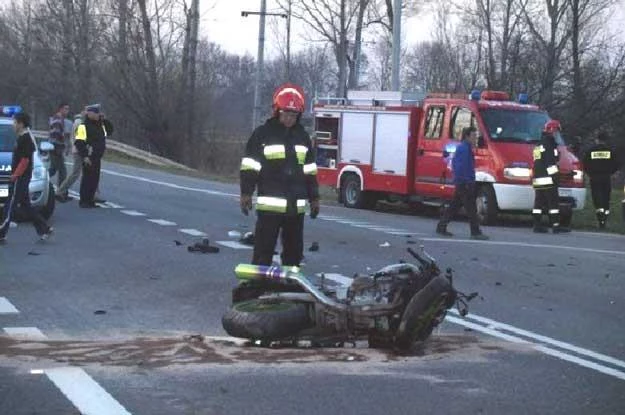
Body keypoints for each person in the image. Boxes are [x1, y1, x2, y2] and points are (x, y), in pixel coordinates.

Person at [239, 83, 320, 267]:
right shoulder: (263, 135)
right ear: (277, 111)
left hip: (295, 210)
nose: (290, 118)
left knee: (293, 253)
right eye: (286, 113)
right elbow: (250, 167)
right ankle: (257, 287)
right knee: (263, 250)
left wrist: (314, 198)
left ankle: (290, 287)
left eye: (293, 115)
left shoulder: (303, 137)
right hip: (269, 209)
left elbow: (309, 171)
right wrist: (246, 193)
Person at [0, 112, 53, 243]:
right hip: (21, 176)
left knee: (10, 205)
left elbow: (25, 160)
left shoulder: (26, 139)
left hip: (21, 177)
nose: (13, 125)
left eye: (15, 122)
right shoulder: (22, 137)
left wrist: (15, 175)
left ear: (21, 124)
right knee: (26, 206)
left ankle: (1, 233)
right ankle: (44, 228)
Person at [436, 126, 489, 240]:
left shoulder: (464, 148)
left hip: (463, 182)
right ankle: (475, 232)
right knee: (471, 209)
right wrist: (467, 182)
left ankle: (441, 226)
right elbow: (461, 167)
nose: (476, 139)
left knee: (454, 206)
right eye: (474, 136)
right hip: (465, 183)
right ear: (467, 136)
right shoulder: (464, 149)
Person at [532, 120, 570, 233]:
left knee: (538, 202)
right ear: (552, 131)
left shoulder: (539, 144)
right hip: (548, 178)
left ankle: (537, 225)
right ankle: (556, 226)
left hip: (538, 177)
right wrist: (556, 176)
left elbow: (539, 161)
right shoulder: (549, 144)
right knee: (553, 203)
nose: (557, 135)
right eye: (557, 132)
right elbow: (550, 163)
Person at [74, 104, 113, 208]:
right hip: (89, 155)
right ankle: (84, 200)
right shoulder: (83, 126)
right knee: (87, 178)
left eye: (98, 113)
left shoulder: (100, 125)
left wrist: (105, 120)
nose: (97, 115)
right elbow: (79, 142)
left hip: (97, 156)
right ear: (89, 114)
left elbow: (109, 131)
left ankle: (90, 200)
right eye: (95, 113)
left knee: (95, 179)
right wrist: (85, 156)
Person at [582, 132, 620, 228]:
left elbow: (585, 164)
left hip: (594, 177)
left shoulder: (591, 151)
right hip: (606, 177)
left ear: (597, 140)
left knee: (597, 198)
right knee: (606, 198)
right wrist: (610, 173)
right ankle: (605, 219)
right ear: (606, 140)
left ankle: (600, 219)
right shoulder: (610, 151)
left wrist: (590, 173)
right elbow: (616, 165)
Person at [48, 103, 70, 191]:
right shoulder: (57, 120)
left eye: (68, 109)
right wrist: (61, 146)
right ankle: (61, 192)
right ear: (60, 109)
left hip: (55, 148)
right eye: (65, 109)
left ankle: (40, 178)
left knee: (53, 169)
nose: (67, 111)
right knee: (62, 171)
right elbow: (56, 135)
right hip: (55, 148)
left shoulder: (60, 119)